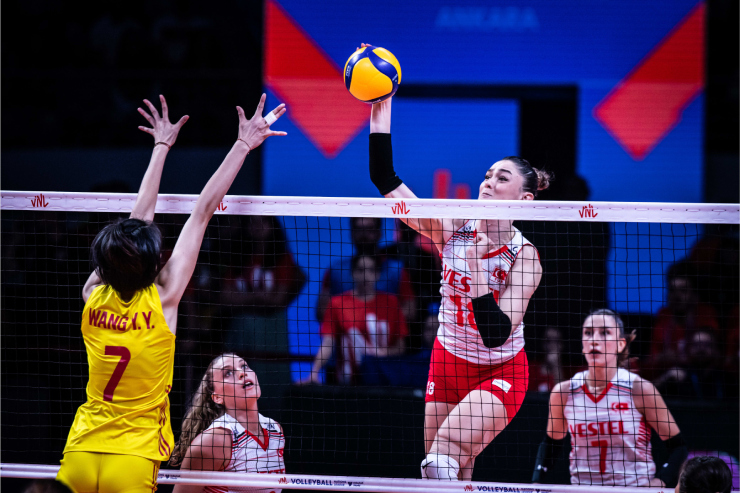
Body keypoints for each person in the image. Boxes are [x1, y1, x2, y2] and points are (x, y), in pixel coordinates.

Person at [56, 94, 287, 493]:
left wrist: (161, 147)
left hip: (81, 446)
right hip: (133, 454)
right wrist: (242, 145)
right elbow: (202, 211)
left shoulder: (92, 293)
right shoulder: (164, 299)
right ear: (151, 262)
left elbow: (133, 228)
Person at [363, 53, 550, 480]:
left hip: (501, 367)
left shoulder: (525, 257)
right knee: (447, 472)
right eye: (487, 175)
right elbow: (385, 179)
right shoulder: (451, 227)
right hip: (447, 359)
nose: (488, 182)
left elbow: (496, 332)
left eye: (502, 178)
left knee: (443, 454)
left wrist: (478, 267)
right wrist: (381, 109)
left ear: (524, 200)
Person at [532, 309, 688, 487]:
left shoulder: (640, 389)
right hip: (582, 490)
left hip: (633, 490)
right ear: (582, 344)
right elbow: (551, 445)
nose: (594, 339)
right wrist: (535, 483)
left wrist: (659, 483)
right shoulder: (564, 392)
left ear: (620, 344)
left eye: (605, 332)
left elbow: (679, 447)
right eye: (588, 333)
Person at [170, 353, 286, 493]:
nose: (242, 373)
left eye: (244, 366)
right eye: (228, 373)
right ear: (217, 397)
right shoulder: (213, 441)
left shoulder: (275, 430)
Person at [301, 254, 408, 385]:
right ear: (352, 273)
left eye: (371, 270)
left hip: (384, 381)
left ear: (378, 274)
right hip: (347, 383)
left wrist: (381, 354)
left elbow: (400, 346)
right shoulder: (337, 303)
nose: (365, 276)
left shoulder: (391, 303)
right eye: (360, 270)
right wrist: (314, 372)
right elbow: (328, 342)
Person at [315, 217, 415, 323]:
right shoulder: (336, 271)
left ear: (379, 233)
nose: (364, 235)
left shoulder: (397, 271)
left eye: (369, 229)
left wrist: (377, 325)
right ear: (352, 234)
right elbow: (322, 311)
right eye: (359, 230)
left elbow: (410, 310)